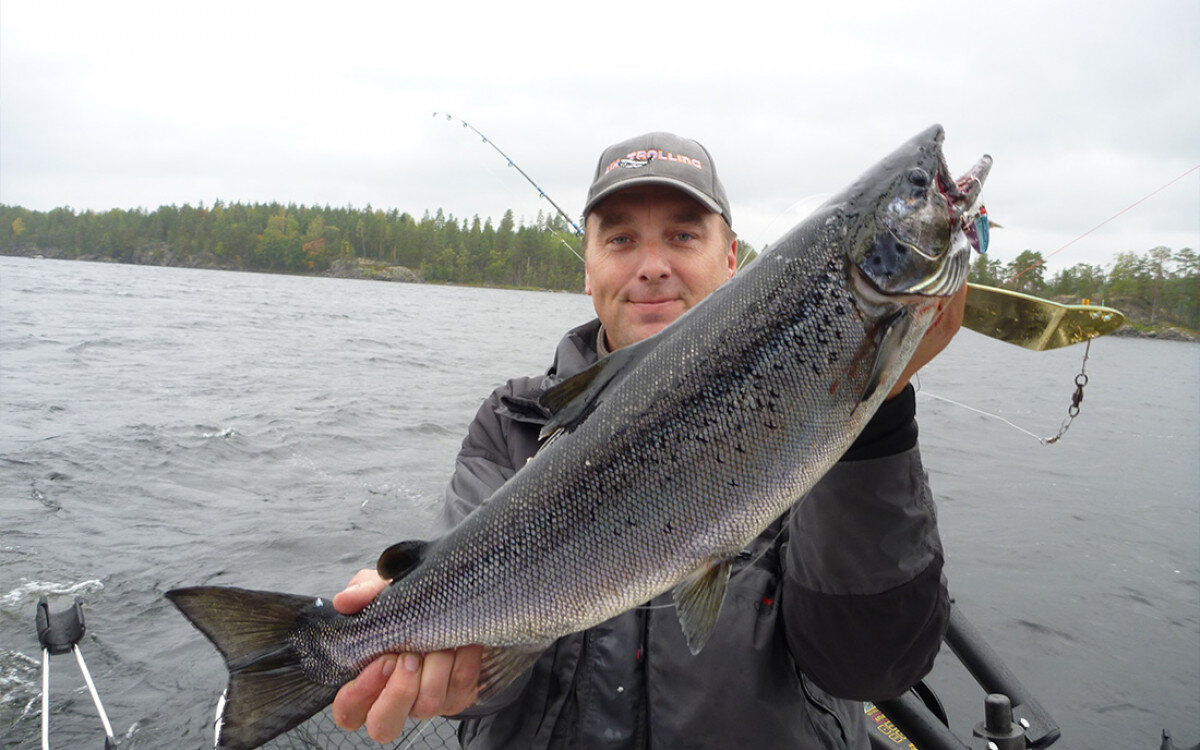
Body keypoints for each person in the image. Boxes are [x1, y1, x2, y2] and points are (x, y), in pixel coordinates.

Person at [330, 132, 965, 748]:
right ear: (589, 269)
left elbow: (871, 667)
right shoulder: (514, 421)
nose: (653, 266)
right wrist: (436, 661)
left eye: (684, 235)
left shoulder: (819, 403)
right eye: (621, 238)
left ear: (733, 259)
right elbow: (488, 682)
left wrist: (876, 410)